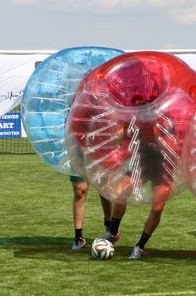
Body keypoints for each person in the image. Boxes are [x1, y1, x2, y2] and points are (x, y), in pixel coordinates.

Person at [100, 95, 170, 260]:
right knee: (119, 193)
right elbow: (122, 134)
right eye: (141, 105)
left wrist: (156, 134)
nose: (143, 108)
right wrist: (108, 138)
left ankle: (140, 246)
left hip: (163, 165)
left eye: (147, 105)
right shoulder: (136, 119)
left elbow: (170, 147)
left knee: (157, 208)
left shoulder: (165, 121)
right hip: (141, 159)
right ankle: (113, 232)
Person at [70, 175, 116, 250]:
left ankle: (109, 226)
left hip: (99, 163)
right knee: (80, 191)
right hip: (79, 163)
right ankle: (78, 237)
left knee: (104, 188)